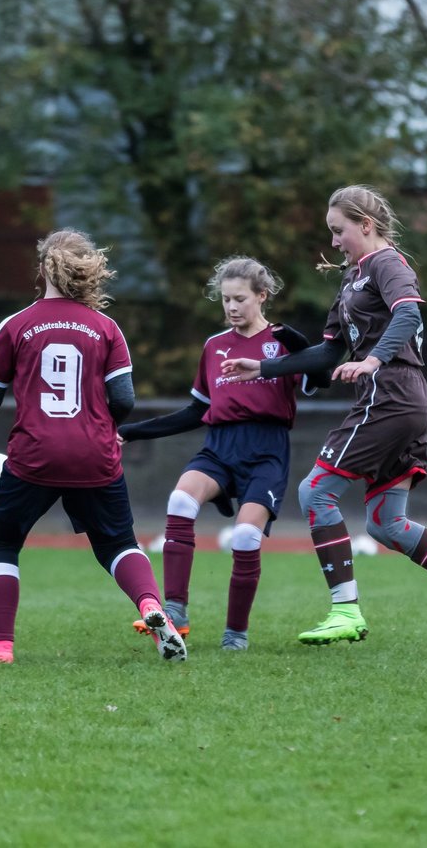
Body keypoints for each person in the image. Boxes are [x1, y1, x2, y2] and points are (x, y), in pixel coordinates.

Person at [221, 184, 427, 649]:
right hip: (400, 397)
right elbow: (328, 354)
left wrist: (373, 361)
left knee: (314, 491)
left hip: (391, 393)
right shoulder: (352, 278)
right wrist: (265, 367)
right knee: (386, 523)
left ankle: (345, 610)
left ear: (366, 225)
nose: (334, 241)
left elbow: (409, 315)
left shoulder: (387, 263)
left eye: (339, 231)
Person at [0, 228, 186, 664]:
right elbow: (124, 400)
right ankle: (152, 607)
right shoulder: (106, 327)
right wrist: (99, 425)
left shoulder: (17, 324)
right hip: (95, 454)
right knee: (118, 542)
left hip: (34, 457)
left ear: (43, 267)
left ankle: (0, 647)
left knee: (3, 544)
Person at [117, 256, 326, 651]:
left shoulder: (280, 344)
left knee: (246, 537)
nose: (231, 307)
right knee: (180, 499)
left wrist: (294, 340)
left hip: (267, 452)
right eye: (225, 300)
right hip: (219, 447)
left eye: (240, 299)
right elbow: (195, 412)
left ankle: (235, 635)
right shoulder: (214, 346)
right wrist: (132, 432)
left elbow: (321, 376)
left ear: (261, 297)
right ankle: (175, 612)